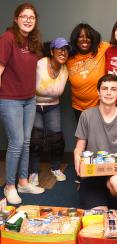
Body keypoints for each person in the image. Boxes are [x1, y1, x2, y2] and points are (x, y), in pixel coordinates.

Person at [74, 74, 117, 210]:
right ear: (98, 92)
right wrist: (77, 156)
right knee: (100, 216)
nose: (108, 92)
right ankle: (95, 197)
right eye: (104, 88)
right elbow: (79, 147)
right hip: (93, 174)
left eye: (113, 89)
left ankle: (114, 198)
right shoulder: (86, 115)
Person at [0, 3, 45, 204]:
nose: (28, 20)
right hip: (10, 99)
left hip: (29, 98)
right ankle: (9, 186)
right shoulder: (8, 38)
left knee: (26, 141)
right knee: (17, 142)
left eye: (32, 17)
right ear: (16, 19)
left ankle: (23, 182)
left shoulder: (33, 42)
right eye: (24, 16)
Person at [28, 38, 70, 186]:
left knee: (56, 138)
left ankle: (56, 168)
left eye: (66, 49)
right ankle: (33, 172)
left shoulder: (65, 68)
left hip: (52, 106)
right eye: (59, 49)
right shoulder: (40, 64)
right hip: (34, 105)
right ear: (52, 51)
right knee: (36, 139)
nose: (63, 52)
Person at [67, 23, 110, 122]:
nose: (84, 40)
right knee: (83, 136)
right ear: (75, 39)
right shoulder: (69, 57)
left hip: (99, 107)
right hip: (78, 108)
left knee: (99, 136)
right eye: (80, 37)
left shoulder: (101, 49)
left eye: (88, 37)